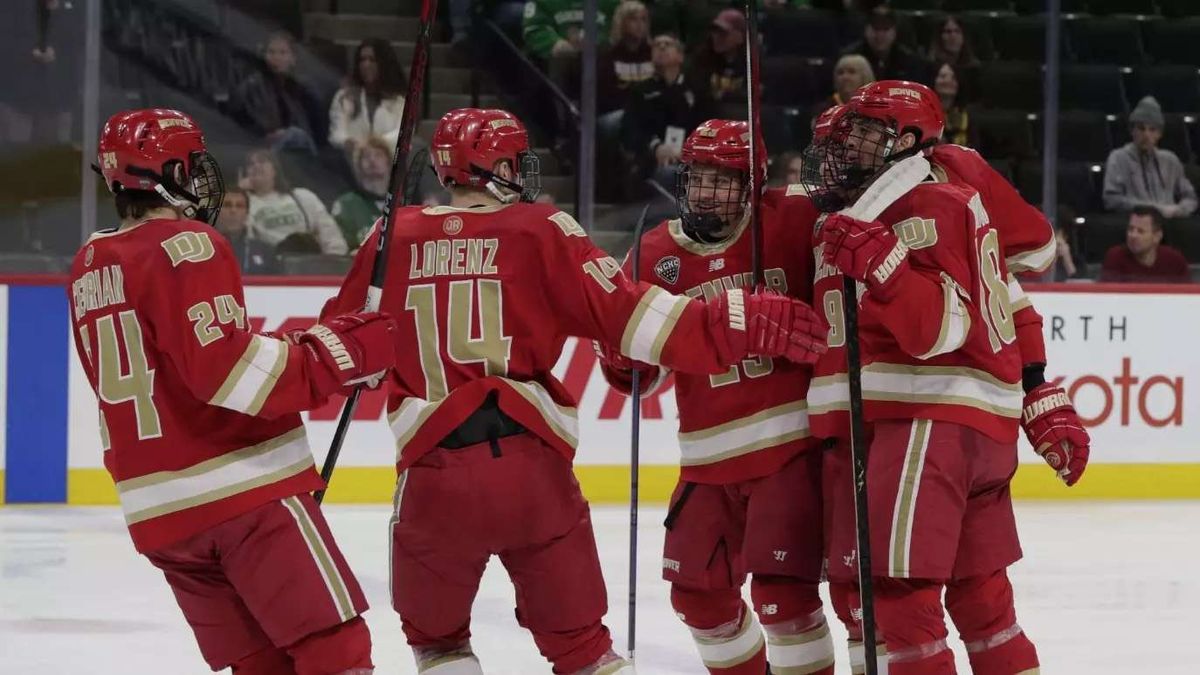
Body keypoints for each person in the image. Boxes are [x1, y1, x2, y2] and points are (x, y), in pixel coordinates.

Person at [318, 107, 829, 675]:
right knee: (583, 647)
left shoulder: (389, 237)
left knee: (438, 644)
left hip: (432, 477)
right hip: (532, 472)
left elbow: (341, 352)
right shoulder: (541, 229)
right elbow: (638, 321)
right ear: (500, 168)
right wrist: (736, 321)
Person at [68, 108, 400, 675]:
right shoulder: (187, 244)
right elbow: (231, 374)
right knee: (336, 651)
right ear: (169, 172)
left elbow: (186, 366)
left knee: (262, 666)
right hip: (242, 494)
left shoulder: (88, 264)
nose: (202, 176)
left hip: (159, 515)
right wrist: (343, 355)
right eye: (192, 164)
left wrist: (315, 345)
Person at [803, 88, 1088, 675]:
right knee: (984, 606)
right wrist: (1035, 385)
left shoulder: (921, 203)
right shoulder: (911, 203)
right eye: (838, 138)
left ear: (906, 142)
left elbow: (940, 329)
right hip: (962, 425)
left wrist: (885, 267)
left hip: (925, 417)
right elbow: (1006, 298)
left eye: (861, 135)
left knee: (897, 599)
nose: (842, 150)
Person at [598, 120, 835, 675]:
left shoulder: (794, 219)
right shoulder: (653, 254)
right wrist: (620, 359)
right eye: (698, 178)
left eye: (722, 180)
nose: (705, 193)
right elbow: (636, 375)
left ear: (753, 183)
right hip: (706, 462)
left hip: (789, 452)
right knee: (698, 599)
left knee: (784, 601)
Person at [622, 34, 716, 189]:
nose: (662, 47)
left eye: (668, 44)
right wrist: (656, 147)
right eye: (657, 45)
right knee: (666, 173)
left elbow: (709, 126)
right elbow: (630, 129)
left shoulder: (697, 88)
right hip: (652, 158)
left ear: (680, 56)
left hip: (692, 157)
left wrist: (688, 150)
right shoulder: (640, 91)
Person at [1102, 96, 1198, 218]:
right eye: (1141, 128)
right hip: (1134, 222)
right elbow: (1111, 200)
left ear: (1159, 134)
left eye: (1152, 130)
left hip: (1168, 221)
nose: (1146, 135)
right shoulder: (1118, 158)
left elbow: (1190, 197)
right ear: (1132, 130)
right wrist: (1150, 209)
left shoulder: (1170, 160)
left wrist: (1178, 210)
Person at [241, 148, 349, 255]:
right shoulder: (245, 204)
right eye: (251, 164)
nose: (256, 166)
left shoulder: (303, 196)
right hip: (273, 261)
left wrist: (335, 258)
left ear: (274, 170)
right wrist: (240, 191)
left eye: (262, 161)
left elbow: (330, 233)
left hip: (311, 258)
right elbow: (246, 241)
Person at [236, 31, 325, 154]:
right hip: (265, 144)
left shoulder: (302, 89)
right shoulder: (253, 85)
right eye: (271, 52)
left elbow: (314, 127)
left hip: (296, 145)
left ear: (293, 58)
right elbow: (246, 120)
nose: (276, 58)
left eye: (283, 53)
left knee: (297, 135)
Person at [328, 38, 408, 155]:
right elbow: (336, 134)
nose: (366, 65)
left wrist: (374, 144)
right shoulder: (345, 96)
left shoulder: (399, 101)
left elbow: (402, 134)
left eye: (372, 60)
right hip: (351, 160)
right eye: (362, 60)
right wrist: (349, 143)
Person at [331, 136, 393, 251]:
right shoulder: (346, 205)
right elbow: (341, 250)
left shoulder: (404, 202)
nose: (372, 160)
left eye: (378, 155)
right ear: (358, 166)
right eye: (366, 156)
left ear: (389, 163)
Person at [1100, 205, 1191, 283]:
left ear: (1157, 236)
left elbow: (1188, 295)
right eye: (1130, 229)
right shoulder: (1115, 258)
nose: (1133, 235)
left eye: (1140, 231)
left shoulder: (1175, 261)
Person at [841, 5, 928, 85]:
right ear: (866, 30)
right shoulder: (850, 56)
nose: (880, 35)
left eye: (885, 29)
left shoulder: (910, 61)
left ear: (894, 31)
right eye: (876, 28)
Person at [596, 0, 654, 119]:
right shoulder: (608, 55)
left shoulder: (652, 53)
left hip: (648, 112)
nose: (639, 24)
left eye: (643, 19)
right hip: (615, 112)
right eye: (633, 19)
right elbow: (604, 96)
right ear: (621, 23)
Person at [215, 186, 278, 274]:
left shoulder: (265, 251)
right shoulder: (203, 248)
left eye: (239, 206)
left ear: (247, 214)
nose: (233, 210)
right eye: (227, 205)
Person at [689, 8, 748, 103]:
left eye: (723, 33)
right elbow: (697, 92)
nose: (716, 37)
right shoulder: (703, 59)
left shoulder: (754, 63)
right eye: (714, 31)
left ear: (740, 37)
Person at [809, 54, 875, 124]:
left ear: (865, 76)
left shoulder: (876, 105)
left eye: (851, 72)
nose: (845, 77)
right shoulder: (822, 111)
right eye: (840, 73)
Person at [934, 62, 969, 146]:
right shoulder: (925, 112)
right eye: (942, 76)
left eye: (953, 78)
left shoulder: (968, 116)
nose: (947, 81)